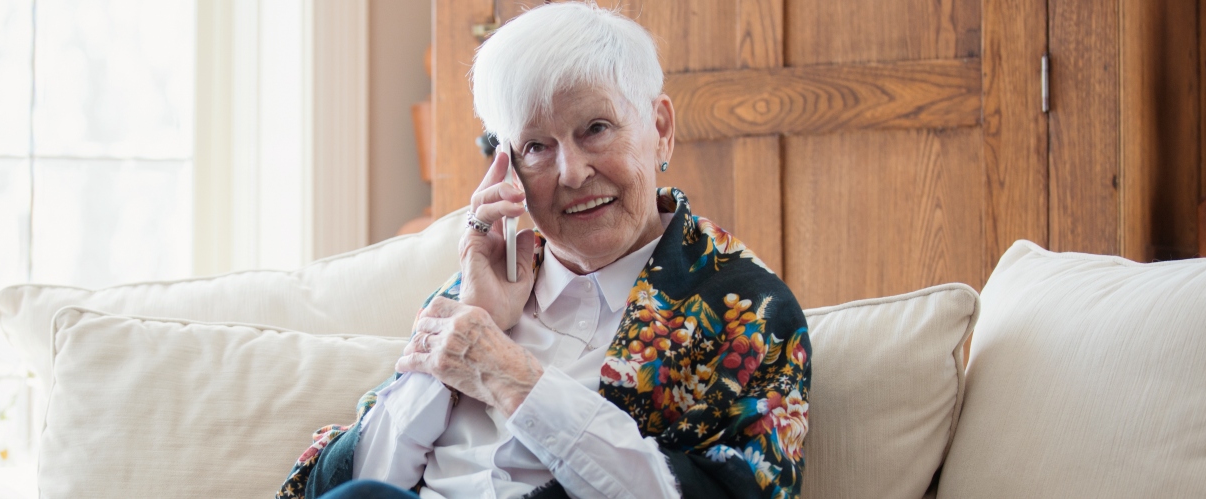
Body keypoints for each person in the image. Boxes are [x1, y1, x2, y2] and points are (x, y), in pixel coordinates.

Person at [278, 3, 809, 498]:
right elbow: (344, 484)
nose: (572, 172)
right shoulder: (476, 289)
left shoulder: (745, 307)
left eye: (596, 129)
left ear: (661, 130)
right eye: (536, 146)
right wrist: (474, 321)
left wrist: (515, 379)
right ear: (506, 167)